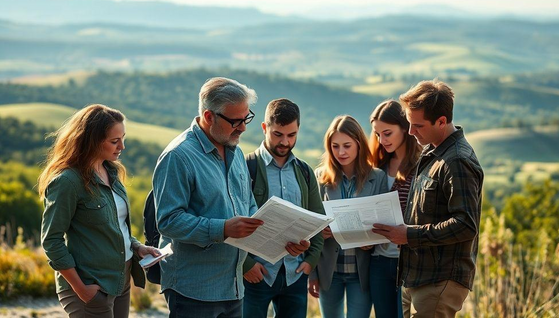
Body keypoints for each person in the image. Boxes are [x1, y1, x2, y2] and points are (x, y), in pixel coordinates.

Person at [152, 77, 262, 318]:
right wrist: (222, 229)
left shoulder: (236, 150)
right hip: (194, 290)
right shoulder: (178, 157)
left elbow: (248, 204)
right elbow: (169, 221)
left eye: (247, 118)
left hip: (233, 288)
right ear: (209, 116)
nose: (243, 127)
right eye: (236, 121)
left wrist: (284, 237)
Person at [372, 81, 484, 318]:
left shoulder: (457, 161)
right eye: (410, 125)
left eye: (418, 126)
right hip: (418, 277)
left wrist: (409, 235)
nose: (411, 132)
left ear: (442, 121)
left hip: (439, 280)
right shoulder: (433, 151)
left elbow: (466, 225)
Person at [40, 104, 160, 318]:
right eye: (114, 141)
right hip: (90, 284)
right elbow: (51, 240)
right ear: (91, 141)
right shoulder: (67, 182)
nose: (122, 146)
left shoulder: (112, 172)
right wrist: (82, 290)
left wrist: (138, 247)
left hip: (120, 280)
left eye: (123, 138)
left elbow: (115, 226)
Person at [242, 98, 325, 318]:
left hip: (294, 275)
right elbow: (230, 219)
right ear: (264, 128)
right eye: (278, 134)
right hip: (254, 274)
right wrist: (245, 264)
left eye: (292, 135)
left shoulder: (305, 172)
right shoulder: (244, 167)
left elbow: (318, 220)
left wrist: (310, 261)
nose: (285, 142)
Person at [309, 115, 388, 318]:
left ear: (359, 144)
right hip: (329, 270)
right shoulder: (320, 177)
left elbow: (383, 222)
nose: (341, 152)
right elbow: (311, 225)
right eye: (335, 146)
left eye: (346, 145)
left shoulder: (377, 177)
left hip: (361, 271)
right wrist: (313, 273)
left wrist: (371, 240)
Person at [368, 100, 422, 318]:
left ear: (405, 128)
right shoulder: (376, 168)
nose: (382, 140)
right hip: (379, 262)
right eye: (377, 134)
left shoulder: (422, 165)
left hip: (408, 262)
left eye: (387, 133)